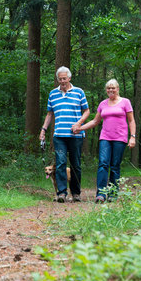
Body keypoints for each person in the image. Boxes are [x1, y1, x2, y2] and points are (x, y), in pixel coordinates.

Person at [73, 79, 136, 203]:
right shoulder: (103, 104)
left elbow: (131, 121)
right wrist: (80, 128)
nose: (111, 90)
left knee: (115, 166)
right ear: (106, 90)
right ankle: (101, 194)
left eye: (113, 88)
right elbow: (95, 121)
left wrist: (132, 136)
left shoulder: (125, 102)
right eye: (108, 88)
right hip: (105, 138)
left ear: (118, 88)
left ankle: (113, 194)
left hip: (120, 138)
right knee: (103, 164)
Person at [40, 66, 90, 203]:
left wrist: (79, 123)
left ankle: (76, 193)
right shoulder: (53, 94)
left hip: (76, 135)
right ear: (57, 79)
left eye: (64, 78)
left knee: (76, 164)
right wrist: (43, 130)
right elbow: (49, 114)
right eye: (60, 79)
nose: (62, 81)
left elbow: (87, 111)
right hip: (59, 135)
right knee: (61, 163)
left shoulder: (79, 92)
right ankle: (61, 193)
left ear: (69, 78)